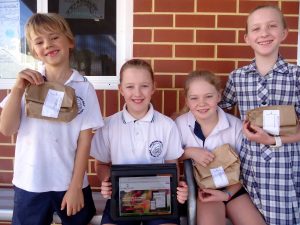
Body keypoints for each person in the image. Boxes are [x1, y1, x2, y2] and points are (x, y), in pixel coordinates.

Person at [0, 13, 104, 225]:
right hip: (30, 182)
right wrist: (18, 88)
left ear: (70, 41)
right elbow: (7, 129)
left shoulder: (84, 88)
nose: (48, 44)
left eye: (54, 37)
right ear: (35, 52)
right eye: (39, 41)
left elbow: (85, 141)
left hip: (69, 183)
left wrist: (75, 187)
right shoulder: (27, 84)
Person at [220, 5, 300, 225]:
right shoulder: (238, 77)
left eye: (272, 26)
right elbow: (217, 108)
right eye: (256, 29)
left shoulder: (296, 77)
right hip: (249, 171)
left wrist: (273, 140)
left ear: (284, 33)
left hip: (285, 172)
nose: (264, 33)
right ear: (247, 38)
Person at [90, 59, 188, 225]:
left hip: (159, 199)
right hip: (122, 199)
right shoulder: (108, 125)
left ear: (153, 87)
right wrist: (107, 181)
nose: (137, 93)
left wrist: (177, 189)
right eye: (130, 86)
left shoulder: (167, 125)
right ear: (120, 89)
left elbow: (172, 166)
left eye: (144, 85)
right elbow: (101, 165)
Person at [175, 70, 266, 225]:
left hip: (234, 189)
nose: (201, 103)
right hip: (205, 192)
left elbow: (247, 169)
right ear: (187, 101)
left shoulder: (236, 126)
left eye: (208, 96)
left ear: (219, 96)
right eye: (194, 98)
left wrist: (227, 194)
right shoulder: (180, 125)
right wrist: (189, 152)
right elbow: (170, 156)